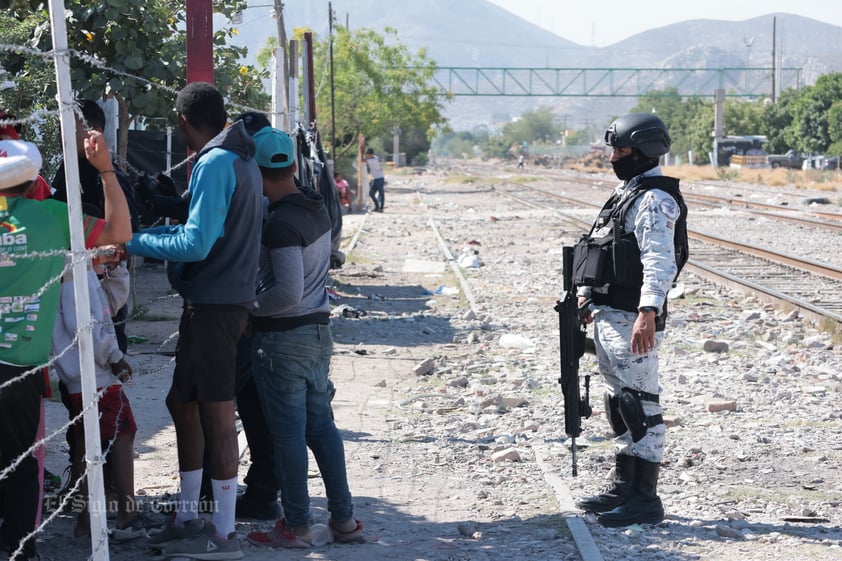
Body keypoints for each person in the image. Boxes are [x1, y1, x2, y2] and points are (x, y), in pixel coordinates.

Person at [125, 82, 262, 560]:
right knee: (182, 402)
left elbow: (197, 243)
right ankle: (188, 515)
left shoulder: (215, 162)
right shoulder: (241, 159)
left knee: (218, 415)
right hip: (219, 301)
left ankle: (222, 533)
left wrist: (132, 242)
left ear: (182, 121)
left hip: (217, 304)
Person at [0, 134, 132, 561]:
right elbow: (119, 232)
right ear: (33, 178)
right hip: (17, 367)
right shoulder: (55, 219)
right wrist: (106, 170)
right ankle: (20, 550)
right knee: (21, 465)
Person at [245, 127, 364, 549]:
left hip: (283, 338)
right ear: (294, 166)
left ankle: (295, 526)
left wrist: (249, 308)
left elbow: (286, 292)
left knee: (288, 436)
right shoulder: (314, 207)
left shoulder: (282, 222)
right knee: (322, 428)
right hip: (317, 332)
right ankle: (344, 521)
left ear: (257, 173)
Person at [571, 113, 687, 528]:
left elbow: (660, 262)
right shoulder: (627, 193)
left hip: (631, 318)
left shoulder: (655, 199)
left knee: (641, 406)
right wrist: (586, 295)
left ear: (643, 152)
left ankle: (645, 499)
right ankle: (624, 486)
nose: (613, 157)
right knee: (618, 401)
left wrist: (648, 313)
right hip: (608, 313)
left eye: (620, 151)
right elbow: (601, 252)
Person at [51, 250, 141, 541]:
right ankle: (127, 513)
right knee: (122, 432)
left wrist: (117, 271)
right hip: (91, 370)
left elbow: (109, 309)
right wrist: (113, 355)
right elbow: (82, 324)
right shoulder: (72, 268)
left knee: (86, 443)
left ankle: (85, 518)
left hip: (92, 369)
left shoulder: (87, 269)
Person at [363, 147, 385, 212]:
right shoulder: (375, 157)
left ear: (370, 154)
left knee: (381, 194)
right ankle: (377, 206)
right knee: (371, 193)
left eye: (367, 154)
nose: (366, 155)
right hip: (375, 179)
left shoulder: (372, 160)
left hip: (379, 178)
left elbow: (362, 160)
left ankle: (381, 208)